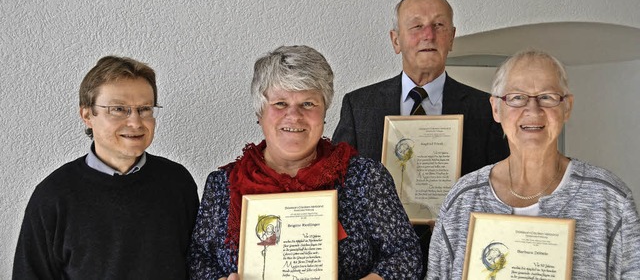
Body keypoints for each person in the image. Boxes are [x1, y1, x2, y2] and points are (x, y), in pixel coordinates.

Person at [188, 45, 423, 279]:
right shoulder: (222, 185)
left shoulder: (365, 177)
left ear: (324, 112)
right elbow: (199, 259)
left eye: (308, 104)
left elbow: (406, 254)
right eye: (280, 103)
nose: (294, 116)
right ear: (260, 113)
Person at [427, 49, 640, 279]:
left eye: (547, 97)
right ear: (496, 108)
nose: (533, 110)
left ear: (566, 107)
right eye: (517, 97)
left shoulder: (611, 200)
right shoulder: (463, 199)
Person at [12, 56, 200, 279]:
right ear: (87, 115)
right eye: (119, 109)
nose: (135, 122)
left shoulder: (177, 182)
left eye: (144, 109)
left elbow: (197, 264)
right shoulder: (54, 195)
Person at [332, 0, 509, 176]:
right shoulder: (359, 106)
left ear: (451, 38)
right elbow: (337, 179)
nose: (428, 35)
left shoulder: (485, 108)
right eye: (416, 26)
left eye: (439, 25)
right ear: (396, 40)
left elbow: (500, 182)